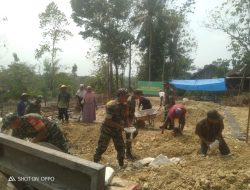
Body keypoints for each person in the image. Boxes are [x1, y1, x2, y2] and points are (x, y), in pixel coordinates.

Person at [93, 88, 129, 167]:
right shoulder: (111, 105)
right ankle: (95, 164)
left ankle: (121, 165)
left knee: (121, 147)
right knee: (102, 147)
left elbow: (125, 117)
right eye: (125, 96)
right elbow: (107, 121)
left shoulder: (125, 105)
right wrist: (121, 127)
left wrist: (128, 125)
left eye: (127, 96)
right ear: (120, 96)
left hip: (117, 130)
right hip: (107, 130)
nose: (127, 98)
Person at [1, 112, 69, 153]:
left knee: (60, 150)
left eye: (9, 125)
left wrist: (31, 144)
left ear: (17, 120)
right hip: (41, 135)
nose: (9, 127)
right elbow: (15, 142)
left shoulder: (30, 119)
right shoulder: (16, 128)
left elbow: (43, 131)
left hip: (52, 131)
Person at [125, 89, 142, 160]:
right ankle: (128, 153)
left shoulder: (133, 100)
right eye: (139, 95)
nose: (140, 96)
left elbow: (132, 111)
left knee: (132, 135)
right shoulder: (129, 100)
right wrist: (128, 123)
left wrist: (134, 118)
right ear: (135, 94)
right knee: (130, 135)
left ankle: (128, 149)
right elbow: (126, 112)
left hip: (130, 120)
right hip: (127, 121)